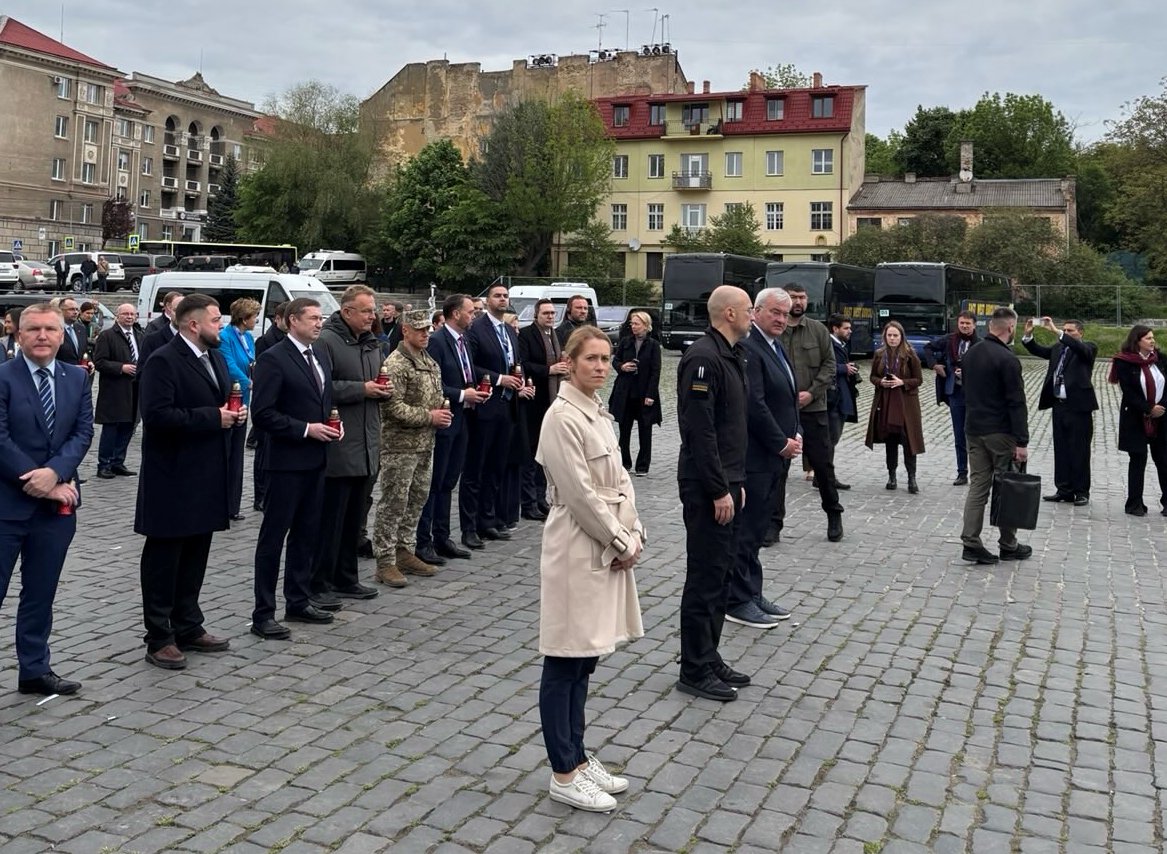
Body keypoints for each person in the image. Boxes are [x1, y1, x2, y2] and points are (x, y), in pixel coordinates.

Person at [536, 324, 644, 813]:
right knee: (565, 658)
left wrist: (634, 531)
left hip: (606, 541)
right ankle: (563, 771)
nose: (600, 366)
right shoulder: (562, 417)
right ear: (570, 362)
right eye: (590, 359)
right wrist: (620, 539)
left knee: (586, 659)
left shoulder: (597, 411)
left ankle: (578, 757)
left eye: (605, 358)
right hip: (577, 547)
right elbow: (579, 494)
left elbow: (620, 479)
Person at [135, 293, 241, 670]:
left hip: (207, 472)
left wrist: (232, 414)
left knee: (196, 552)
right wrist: (213, 417)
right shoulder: (163, 359)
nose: (221, 327)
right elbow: (157, 416)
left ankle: (188, 623)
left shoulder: (214, 357)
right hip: (172, 476)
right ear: (193, 325)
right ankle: (159, 635)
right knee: (165, 557)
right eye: (215, 321)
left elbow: (219, 402)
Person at [0, 304, 93, 695]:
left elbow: (82, 433)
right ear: (18, 334)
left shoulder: (77, 377)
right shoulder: (3, 376)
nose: (42, 336)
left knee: (41, 592)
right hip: (6, 505)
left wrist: (54, 474)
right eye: (33, 329)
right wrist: (39, 480)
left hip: (55, 511)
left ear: (61, 334)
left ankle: (34, 669)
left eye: (50, 329)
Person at [676, 285, 752, 702]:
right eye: (748, 309)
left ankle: (709, 655)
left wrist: (736, 484)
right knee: (705, 577)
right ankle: (693, 668)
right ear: (728, 314)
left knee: (721, 575)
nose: (752, 315)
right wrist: (719, 489)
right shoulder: (703, 358)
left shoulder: (731, 354)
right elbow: (699, 432)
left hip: (729, 482)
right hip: (708, 485)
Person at [250, 299, 339, 639]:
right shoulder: (274, 358)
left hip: (316, 460)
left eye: (321, 318)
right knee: (273, 538)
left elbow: (322, 401)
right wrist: (305, 429)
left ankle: (298, 600)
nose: (319, 323)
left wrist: (333, 423)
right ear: (292, 321)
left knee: (306, 533)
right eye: (312, 318)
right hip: (285, 463)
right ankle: (263, 612)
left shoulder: (319, 355)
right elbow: (263, 414)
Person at [310, 286, 391, 608]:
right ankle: (320, 582)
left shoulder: (371, 343)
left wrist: (382, 389)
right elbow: (319, 387)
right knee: (331, 521)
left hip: (367, 443)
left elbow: (376, 382)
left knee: (354, 520)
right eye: (366, 310)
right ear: (347, 312)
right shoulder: (326, 342)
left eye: (373, 310)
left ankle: (346, 577)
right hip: (340, 445)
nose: (373, 316)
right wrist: (362, 389)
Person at [727, 288, 801, 630]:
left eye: (785, 314)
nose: (781, 319)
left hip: (778, 454)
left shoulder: (775, 345)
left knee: (758, 528)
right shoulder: (750, 347)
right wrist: (779, 441)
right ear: (756, 311)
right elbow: (754, 404)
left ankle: (752, 592)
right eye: (775, 312)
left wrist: (796, 431)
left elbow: (787, 395)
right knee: (746, 529)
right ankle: (737, 599)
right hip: (757, 456)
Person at [372, 310, 452, 587]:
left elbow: (436, 394)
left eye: (427, 330)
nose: (425, 334)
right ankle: (385, 561)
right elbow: (392, 408)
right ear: (405, 330)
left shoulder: (428, 360)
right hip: (399, 446)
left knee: (417, 499)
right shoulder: (395, 364)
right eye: (419, 330)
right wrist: (430, 416)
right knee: (393, 503)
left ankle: (405, 551)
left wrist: (442, 410)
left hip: (425, 443)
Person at [416, 295, 489, 563]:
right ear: (456, 313)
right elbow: (432, 384)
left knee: (449, 481)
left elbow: (466, 374)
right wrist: (461, 394)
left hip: (463, 419)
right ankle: (423, 541)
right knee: (434, 482)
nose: (474, 316)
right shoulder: (437, 341)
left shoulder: (464, 340)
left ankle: (442, 536)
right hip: (444, 419)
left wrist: (477, 391)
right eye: (470, 312)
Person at [960, 307, 1031, 565]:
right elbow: (1016, 402)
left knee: (978, 486)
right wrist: (1021, 441)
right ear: (1010, 328)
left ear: (990, 326)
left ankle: (970, 541)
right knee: (1007, 486)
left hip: (973, 429)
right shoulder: (1008, 359)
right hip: (1000, 432)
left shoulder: (970, 354)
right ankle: (1008, 544)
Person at [778, 283, 844, 542]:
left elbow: (830, 365)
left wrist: (812, 392)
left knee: (823, 466)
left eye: (802, 297)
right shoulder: (775, 330)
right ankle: (773, 522)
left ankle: (834, 515)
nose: (798, 302)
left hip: (814, 408)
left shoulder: (818, 330)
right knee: (778, 468)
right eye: (793, 297)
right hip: (782, 411)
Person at [461, 283, 524, 549]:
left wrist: (521, 380)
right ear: (487, 300)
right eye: (497, 296)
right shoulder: (476, 329)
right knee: (476, 468)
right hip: (485, 406)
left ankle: (488, 520)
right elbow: (469, 365)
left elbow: (515, 363)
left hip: (508, 407)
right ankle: (469, 527)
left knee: (496, 467)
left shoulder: (508, 330)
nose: (502, 299)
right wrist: (499, 379)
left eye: (505, 296)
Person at [1022, 316, 1099, 506]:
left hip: (1079, 407)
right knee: (1061, 448)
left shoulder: (1088, 348)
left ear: (1080, 333)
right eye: (1065, 330)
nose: (1066, 333)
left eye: (1070, 330)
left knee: (1079, 450)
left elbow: (1081, 349)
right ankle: (1064, 489)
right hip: (1059, 405)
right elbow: (1038, 350)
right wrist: (1028, 335)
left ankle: (1081, 491)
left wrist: (1057, 331)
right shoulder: (1058, 349)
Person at [518, 299, 569, 518]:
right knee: (531, 455)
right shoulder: (526, 334)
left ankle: (540, 499)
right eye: (546, 313)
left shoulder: (554, 335)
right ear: (536, 315)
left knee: (545, 456)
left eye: (553, 313)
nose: (550, 316)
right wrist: (549, 370)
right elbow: (524, 364)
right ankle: (528, 503)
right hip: (534, 403)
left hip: (552, 400)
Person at [1110, 326, 1167, 516]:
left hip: (1161, 417)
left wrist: (1161, 407)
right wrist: (1148, 409)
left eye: (1153, 337)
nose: (1152, 341)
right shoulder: (1124, 362)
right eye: (1148, 338)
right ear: (1137, 341)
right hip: (1135, 417)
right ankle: (1135, 503)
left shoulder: (1160, 359)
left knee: (1163, 459)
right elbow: (1129, 392)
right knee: (1138, 459)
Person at [865, 321, 926, 492]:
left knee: (909, 441)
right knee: (890, 441)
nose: (892, 338)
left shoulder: (910, 354)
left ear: (901, 336)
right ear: (885, 337)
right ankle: (891, 476)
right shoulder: (879, 354)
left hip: (906, 404)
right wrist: (881, 382)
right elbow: (872, 376)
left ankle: (911, 478)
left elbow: (918, 380)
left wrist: (902, 382)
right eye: (889, 335)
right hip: (886, 402)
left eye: (895, 335)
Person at [924, 310, 979, 486]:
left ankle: (979, 473)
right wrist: (934, 365)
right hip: (955, 392)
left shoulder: (980, 344)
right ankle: (962, 472)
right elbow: (928, 348)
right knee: (959, 435)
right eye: (962, 323)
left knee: (976, 435)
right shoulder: (949, 339)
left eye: (968, 323)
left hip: (975, 395)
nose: (964, 326)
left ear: (974, 325)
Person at [92, 304, 144, 479]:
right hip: (115, 389)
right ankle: (104, 464)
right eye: (126, 314)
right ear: (117, 316)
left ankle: (117, 462)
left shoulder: (139, 335)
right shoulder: (107, 336)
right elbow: (99, 362)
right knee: (112, 428)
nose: (129, 317)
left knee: (129, 426)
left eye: (132, 314)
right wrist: (121, 367)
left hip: (135, 388)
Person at [609, 311, 662, 477]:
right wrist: (622, 367)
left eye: (636, 324)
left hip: (644, 393)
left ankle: (643, 466)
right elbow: (615, 360)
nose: (633, 326)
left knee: (645, 431)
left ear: (645, 326)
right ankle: (624, 463)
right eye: (632, 323)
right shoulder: (625, 342)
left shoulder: (653, 345)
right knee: (624, 430)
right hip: (625, 392)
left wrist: (650, 395)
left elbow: (655, 371)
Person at [221, 298, 259, 521]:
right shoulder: (225, 337)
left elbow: (251, 362)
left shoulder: (248, 338)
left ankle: (232, 505)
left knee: (237, 454)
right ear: (244, 319)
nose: (256, 321)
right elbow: (229, 365)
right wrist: (248, 382)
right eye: (254, 317)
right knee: (226, 453)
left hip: (244, 400)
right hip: (230, 398)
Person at [499, 311, 537, 530]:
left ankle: (512, 513)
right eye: (513, 326)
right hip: (505, 407)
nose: (516, 330)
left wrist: (525, 386)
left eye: (517, 327)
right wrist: (516, 390)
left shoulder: (514, 345)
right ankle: (502, 513)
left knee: (517, 461)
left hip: (519, 409)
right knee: (505, 464)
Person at [250, 302, 288, 507]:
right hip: (269, 401)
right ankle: (261, 495)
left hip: (285, 405)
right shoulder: (266, 341)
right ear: (277, 319)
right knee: (263, 451)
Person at [827, 314, 859, 487]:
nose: (849, 331)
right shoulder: (828, 344)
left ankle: (823, 476)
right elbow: (824, 366)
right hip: (834, 399)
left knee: (833, 439)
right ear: (835, 329)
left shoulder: (841, 345)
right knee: (831, 440)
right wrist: (843, 368)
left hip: (842, 397)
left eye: (849, 328)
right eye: (846, 328)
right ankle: (826, 477)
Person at [56, 298, 92, 371]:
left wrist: (89, 362)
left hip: (80, 374)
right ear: (60, 311)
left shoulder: (81, 328)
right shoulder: (54, 330)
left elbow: (84, 352)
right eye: (71, 309)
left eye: (77, 309)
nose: (75, 312)